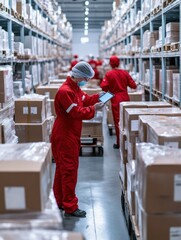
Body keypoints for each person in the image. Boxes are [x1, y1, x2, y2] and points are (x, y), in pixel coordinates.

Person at [51, 61, 105, 218]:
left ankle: (60, 201)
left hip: (71, 133)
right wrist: (94, 109)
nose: (86, 81)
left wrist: (96, 97)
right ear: (79, 76)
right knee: (69, 170)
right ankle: (70, 206)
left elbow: (84, 99)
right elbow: (76, 112)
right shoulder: (65, 92)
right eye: (86, 78)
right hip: (64, 135)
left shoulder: (75, 88)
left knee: (62, 169)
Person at [100, 55, 137, 149]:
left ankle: (119, 143)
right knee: (127, 120)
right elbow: (133, 85)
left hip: (115, 99)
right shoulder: (125, 73)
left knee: (118, 122)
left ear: (110, 64)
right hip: (125, 97)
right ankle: (129, 142)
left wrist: (109, 94)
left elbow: (104, 86)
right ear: (119, 63)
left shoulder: (109, 74)